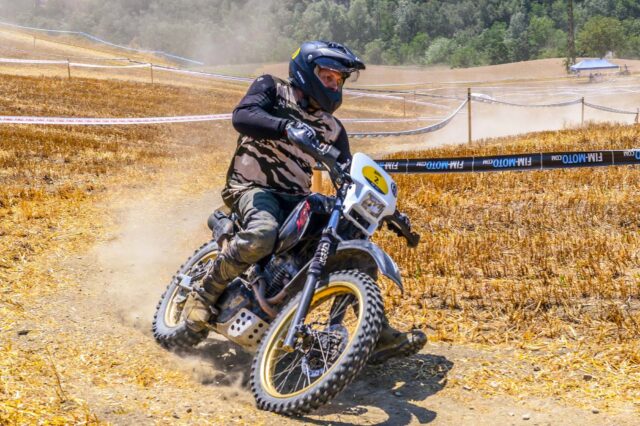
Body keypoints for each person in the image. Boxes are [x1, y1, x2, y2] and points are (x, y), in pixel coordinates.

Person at [183, 40, 426, 364]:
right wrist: (286, 127)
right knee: (262, 233)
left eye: (339, 80)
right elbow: (242, 116)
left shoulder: (333, 129)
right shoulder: (272, 88)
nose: (334, 85)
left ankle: (374, 333)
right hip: (252, 187)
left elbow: (347, 175)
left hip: (296, 197)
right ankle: (204, 294)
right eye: (328, 77)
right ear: (306, 72)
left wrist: (387, 210)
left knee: (353, 244)